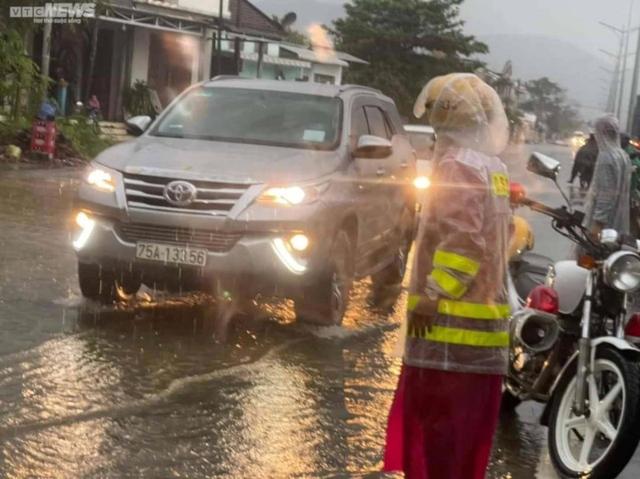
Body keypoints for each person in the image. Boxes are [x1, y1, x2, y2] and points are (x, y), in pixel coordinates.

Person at [383, 73, 511, 479]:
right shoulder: (493, 166)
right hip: (485, 329)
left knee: (439, 437)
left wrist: (434, 295)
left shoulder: (457, 166)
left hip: (449, 335)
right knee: (462, 443)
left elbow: (463, 242)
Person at [583, 116, 632, 238]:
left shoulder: (606, 157)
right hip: (618, 223)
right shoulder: (622, 155)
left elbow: (606, 194)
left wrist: (597, 226)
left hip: (604, 228)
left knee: (590, 256)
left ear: (601, 133)